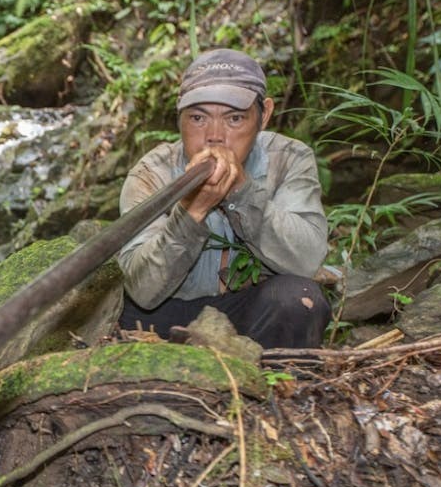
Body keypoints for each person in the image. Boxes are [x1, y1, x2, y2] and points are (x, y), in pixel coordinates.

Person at [116, 48, 330, 349]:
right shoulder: (152, 173)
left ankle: (276, 388)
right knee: (119, 306)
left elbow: (306, 259)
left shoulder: (289, 159)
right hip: (167, 314)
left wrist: (241, 193)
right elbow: (143, 289)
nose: (214, 136)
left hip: (251, 312)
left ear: (264, 115)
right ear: (179, 118)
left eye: (235, 118)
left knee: (299, 299)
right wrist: (192, 212)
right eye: (198, 118)